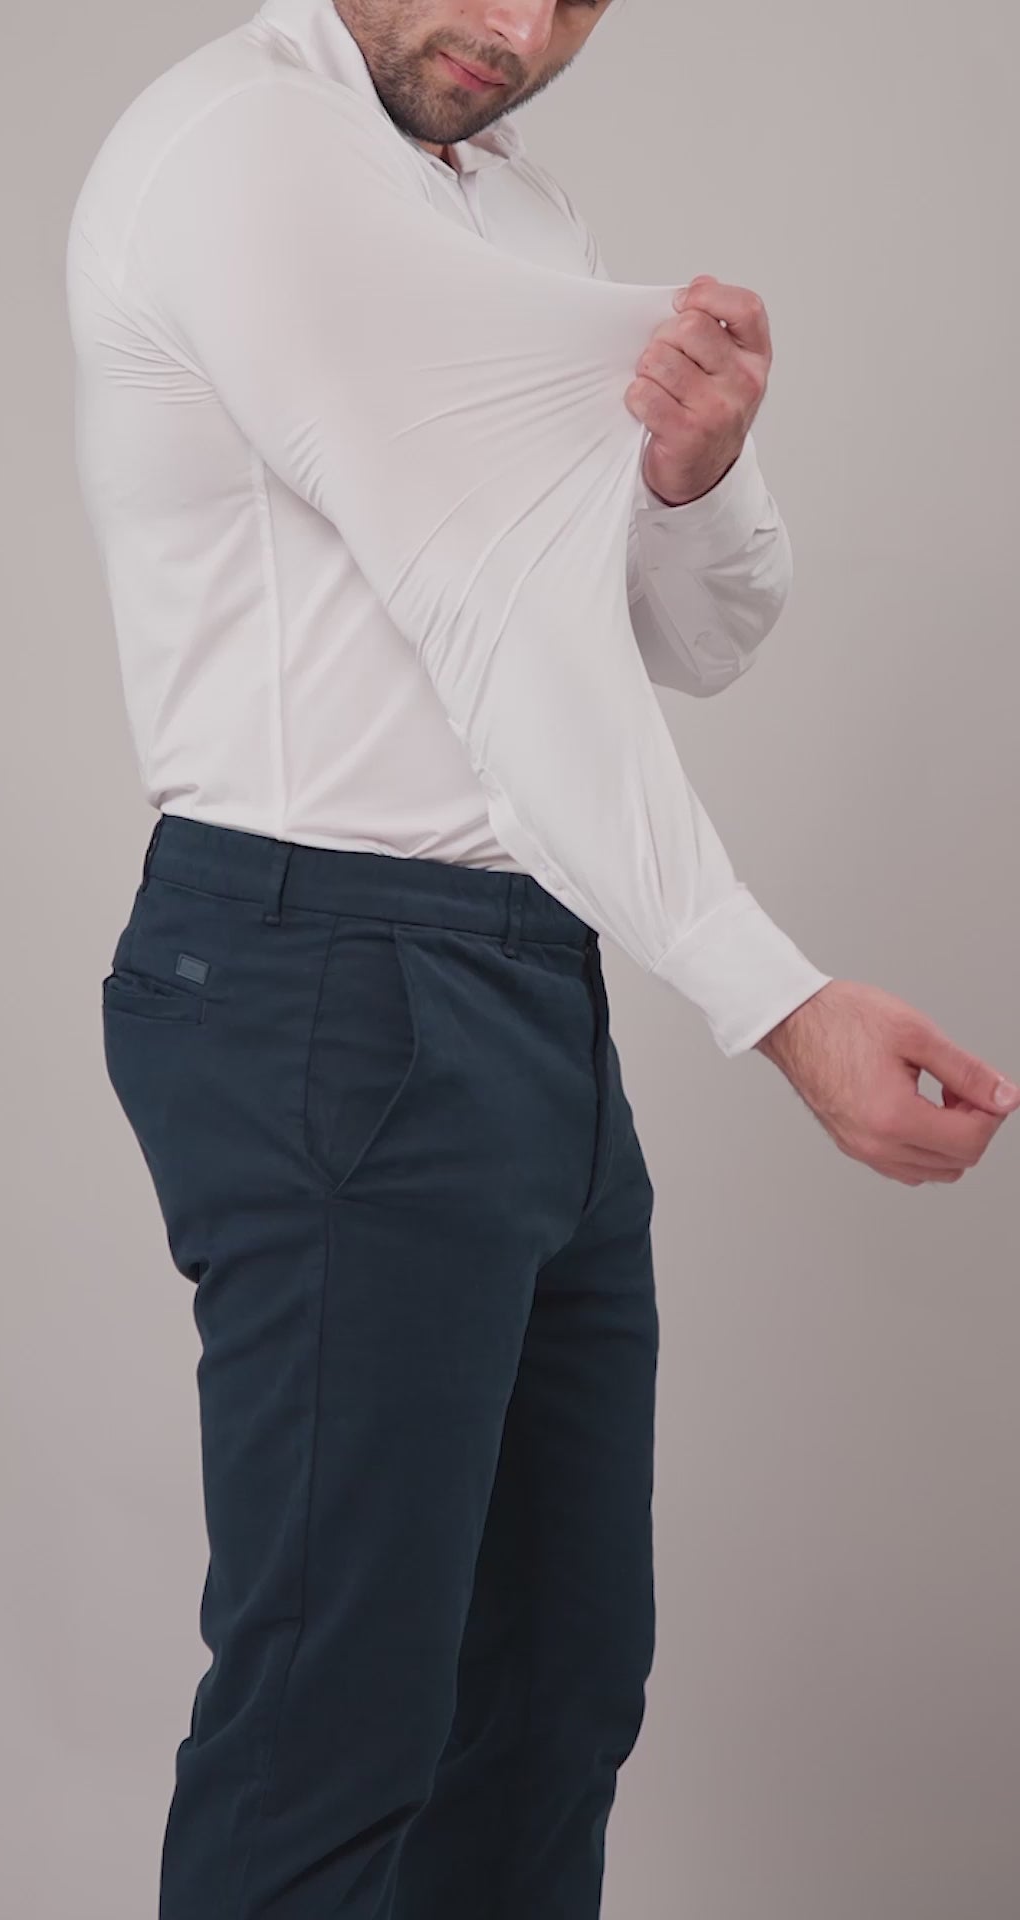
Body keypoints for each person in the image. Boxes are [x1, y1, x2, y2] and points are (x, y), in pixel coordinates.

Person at [64, 1, 1018, 1914]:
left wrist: (691, 472)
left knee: (550, 1693)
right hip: (327, 978)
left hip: (524, 980)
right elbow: (497, 629)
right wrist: (780, 1001)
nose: (515, 27)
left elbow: (691, 635)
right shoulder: (251, 156)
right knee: (340, 1722)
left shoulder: (519, 217)